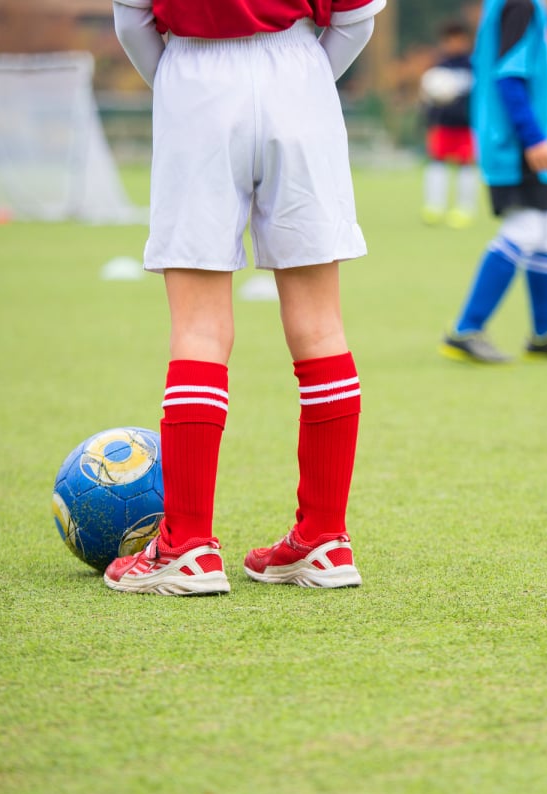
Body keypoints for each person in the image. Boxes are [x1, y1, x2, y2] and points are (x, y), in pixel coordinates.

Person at [105, 0, 386, 595]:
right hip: (300, 75)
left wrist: (185, 86)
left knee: (199, 328)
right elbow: (357, 18)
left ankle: (186, 547)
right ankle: (325, 540)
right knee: (321, 325)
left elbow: (131, 22)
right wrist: (300, 77)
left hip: (196, 81)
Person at [440, 0, 547, 365]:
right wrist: (532, 137)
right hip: (516, 145)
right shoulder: (518, 3)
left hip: (528, 142)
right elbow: (508, 76)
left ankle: (544, 335)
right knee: (526, 227)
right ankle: (466, 329)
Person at [421, 21, 478, 229]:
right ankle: (434, 207)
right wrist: (428, 123)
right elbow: (427, 98)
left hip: (467, 126)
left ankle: (464, 209)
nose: (454, 44)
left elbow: (481, 99)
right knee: (436, 164)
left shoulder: (474, 66)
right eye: (449, 40)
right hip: (443, 125)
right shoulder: (439, 67)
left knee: (466, 166)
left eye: (458, 39)